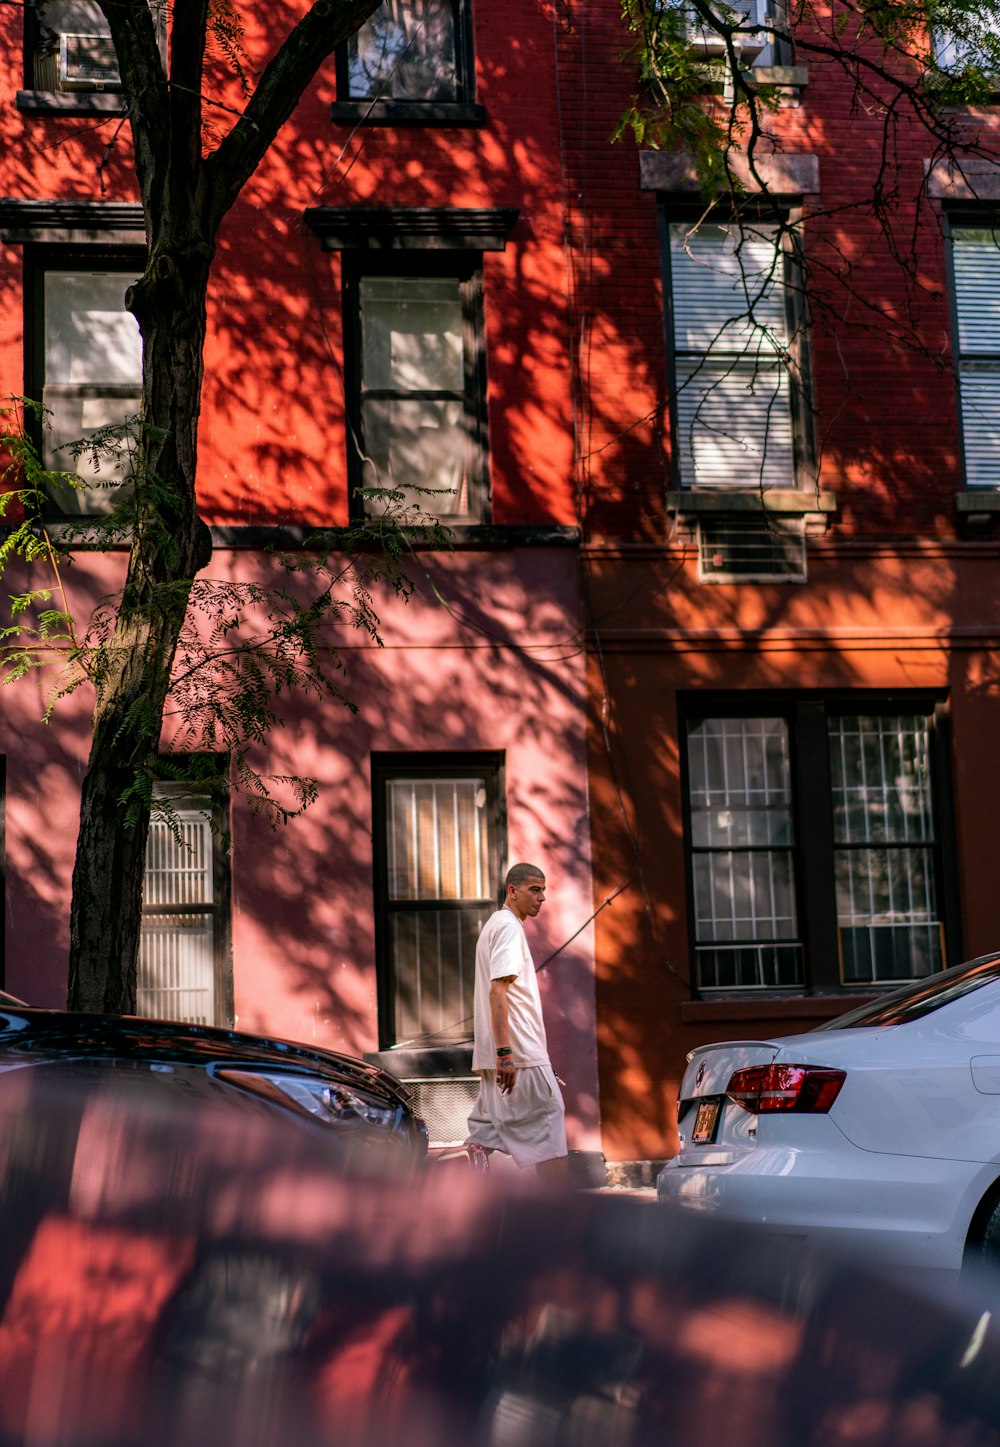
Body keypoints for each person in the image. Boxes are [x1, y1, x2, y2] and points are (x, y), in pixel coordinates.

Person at [464, 863, 568, 1184]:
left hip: (498, 1061)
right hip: (520, 1059)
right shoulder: (508, 928)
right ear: (513, 890)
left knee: (483, 1139)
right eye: (534, 890)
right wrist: (505, 1054)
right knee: (551, 1136)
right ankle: (560, 1222)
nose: (542, 898)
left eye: (543, 891)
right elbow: (498, 992)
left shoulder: (495, 925)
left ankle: (456, 1206)